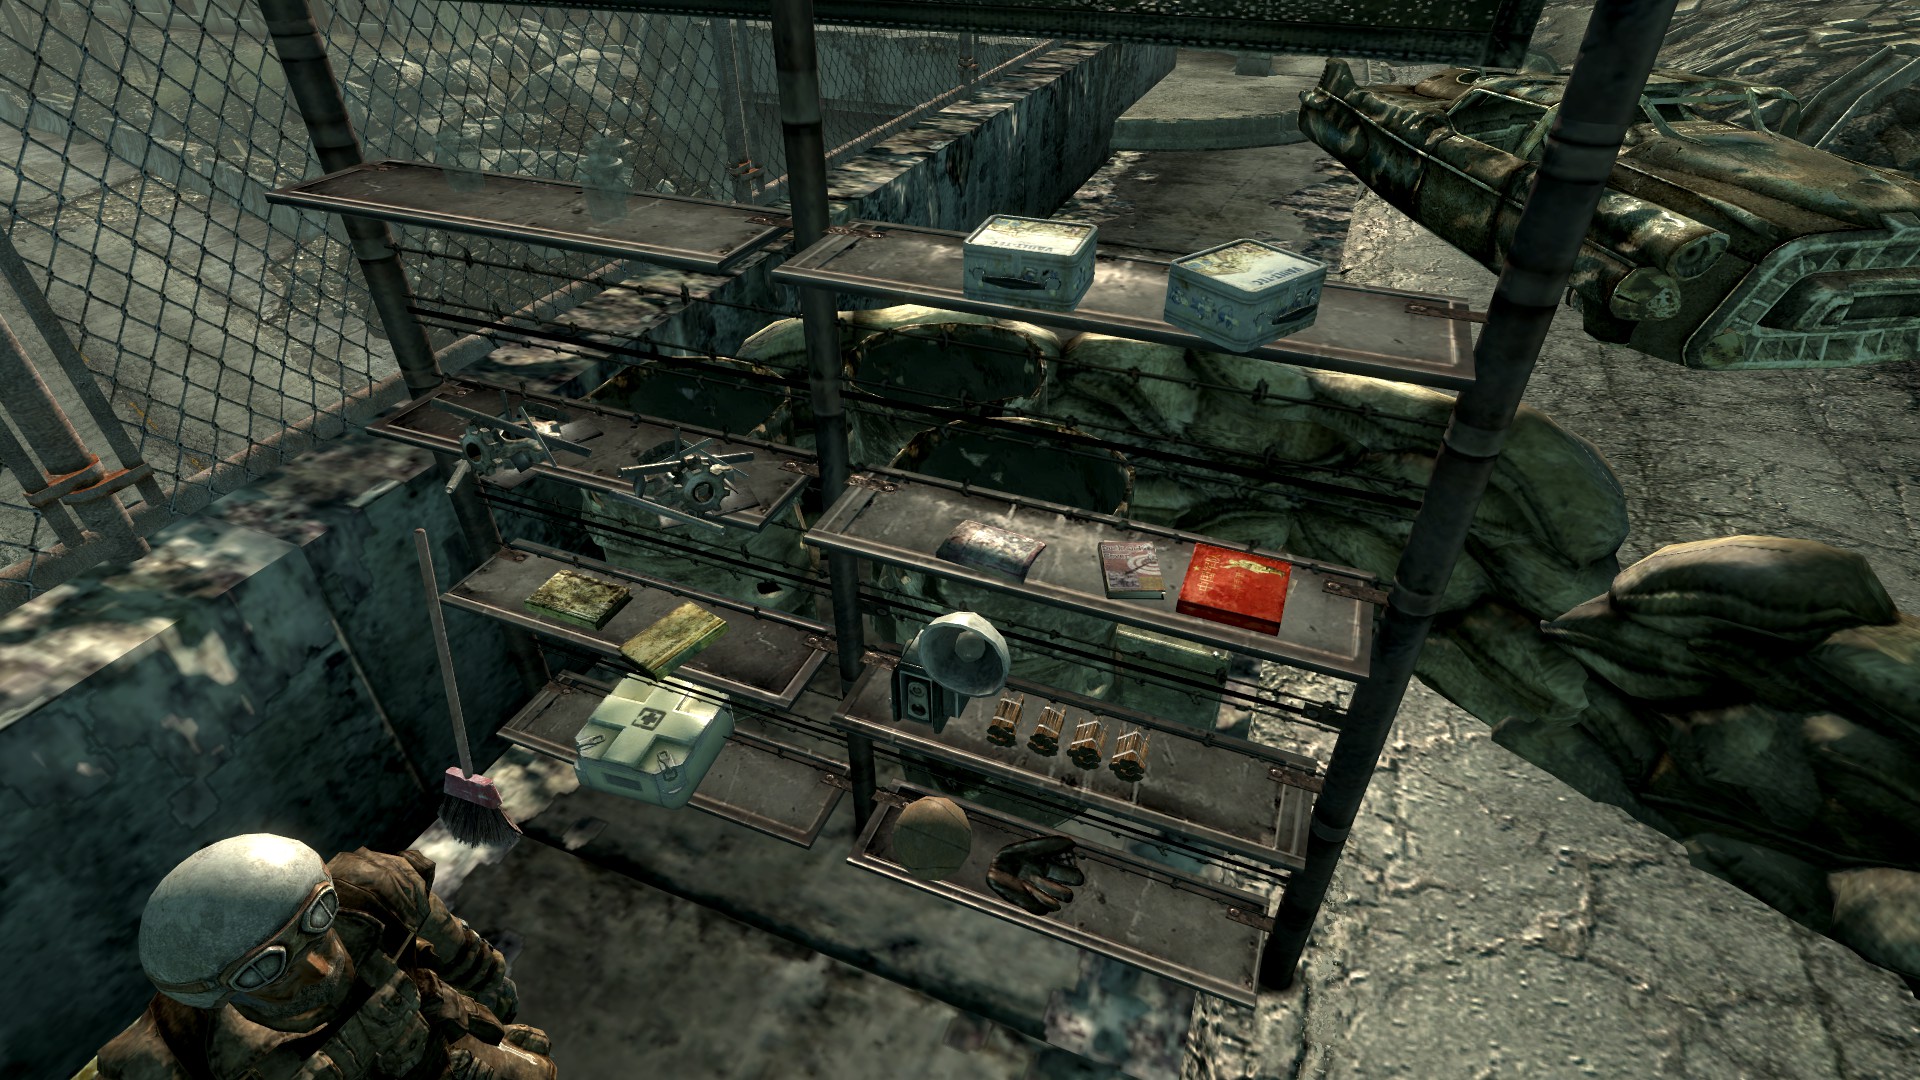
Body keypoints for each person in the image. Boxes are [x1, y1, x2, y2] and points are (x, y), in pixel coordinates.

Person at [94, 833, 556, 1080]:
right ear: (216, 991)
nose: (318, 967)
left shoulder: (375, 887)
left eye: (315, 924)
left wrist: (484, 1022)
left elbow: (482, 973)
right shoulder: (170, 1053)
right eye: (266, 968)